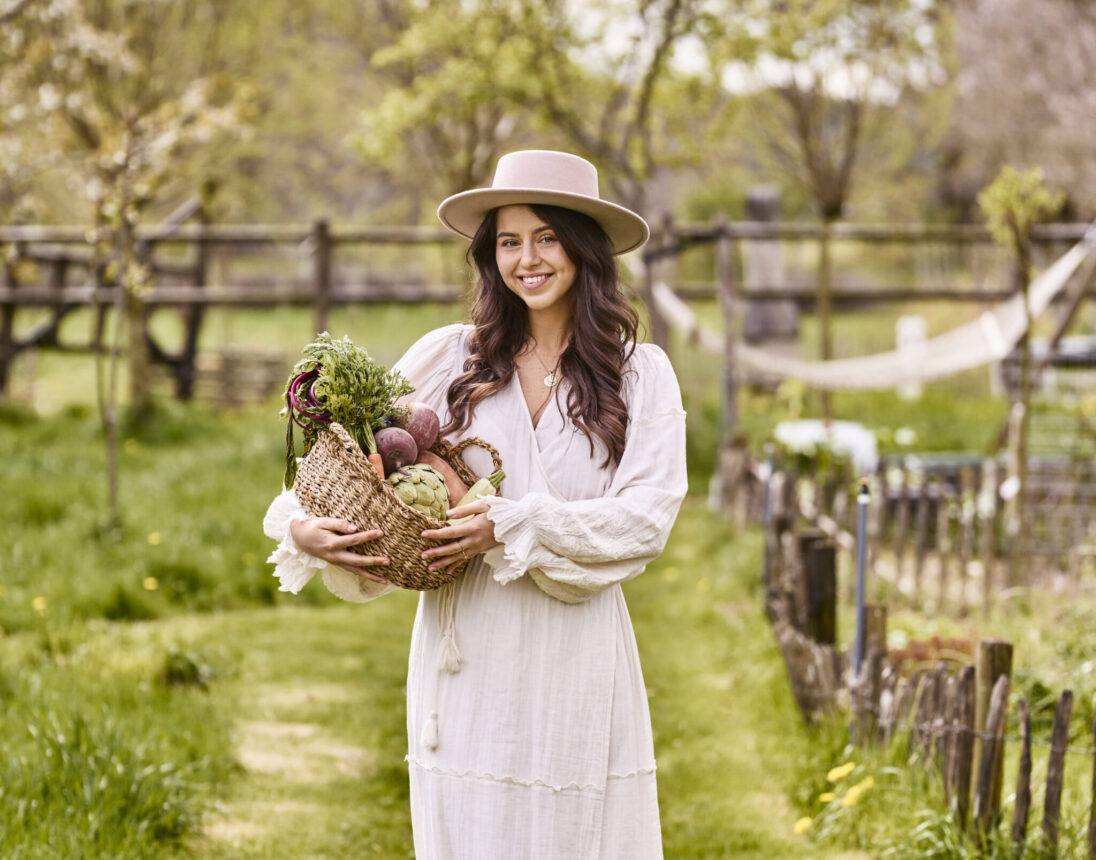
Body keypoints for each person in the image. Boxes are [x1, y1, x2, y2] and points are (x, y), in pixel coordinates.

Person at [263, 149, 688, 859]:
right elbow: (354, 463)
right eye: (508, 241)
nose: (528, 258)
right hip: (468, 661)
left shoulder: (639, 374)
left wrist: (512, 523)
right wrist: (303, 528)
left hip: (574, 658)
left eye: (547, 237)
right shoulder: (447, 361)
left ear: (583, 246)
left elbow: (646, 520)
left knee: (574, 836)